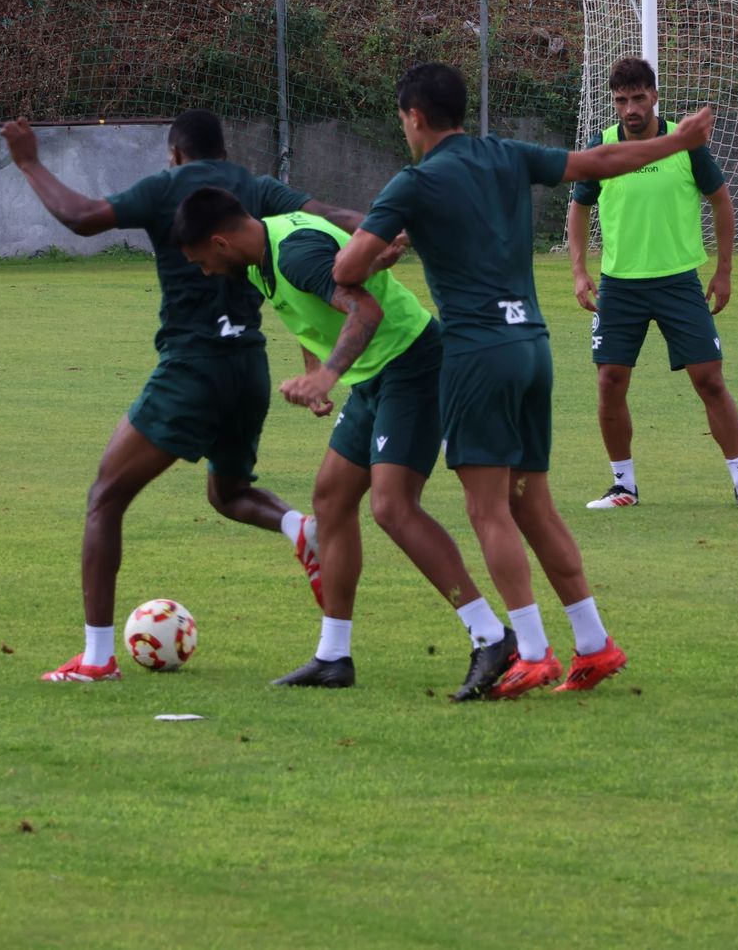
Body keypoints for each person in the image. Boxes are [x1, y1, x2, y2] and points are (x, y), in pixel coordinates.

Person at [334, 63, 714, 698]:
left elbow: (346, 265)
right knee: (529, 503)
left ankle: (532, 651)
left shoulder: (414, 182)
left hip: (476, 354)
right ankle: (592, 644)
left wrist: (386, 249)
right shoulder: (507, 154)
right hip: (531, 346)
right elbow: (599, 163)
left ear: (415, 118)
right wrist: (679, 141)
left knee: (487, 509)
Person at [0, 110, 363, 682]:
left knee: (104, 499)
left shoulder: (166, 187)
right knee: (229, 492)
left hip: (192, 371)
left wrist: (29, 162)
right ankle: (300, 529)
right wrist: (386, 228)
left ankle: (95, 660)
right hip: (249, 368)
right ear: (223, 148)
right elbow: (332, 217)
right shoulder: (253, 187)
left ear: (174, 153)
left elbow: (82, 217)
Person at [170, 187, 517, 698]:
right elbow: (313, 306)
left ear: (219, 242)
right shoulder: (264, 252)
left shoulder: (292, 253)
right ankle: (333, 656)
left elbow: (366, 312)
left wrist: (326, 378)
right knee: (331, 498)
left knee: (393, 506)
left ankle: (492, 636)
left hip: (413, 364)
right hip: (376, 375)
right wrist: (316, 367)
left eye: (200, 260)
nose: (203, 271)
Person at [566, 57, 738, 510]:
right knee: (609, 381)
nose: (630, 109)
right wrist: (580, 271)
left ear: (654, 97)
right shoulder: (601, 146)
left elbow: (721, 202)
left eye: (638, 98)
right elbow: (579, 207)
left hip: (679, 283)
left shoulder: (684, 144)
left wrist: (724, 271)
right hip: (619, 286)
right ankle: (623, 486)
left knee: (710, 381)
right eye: (621, 100)